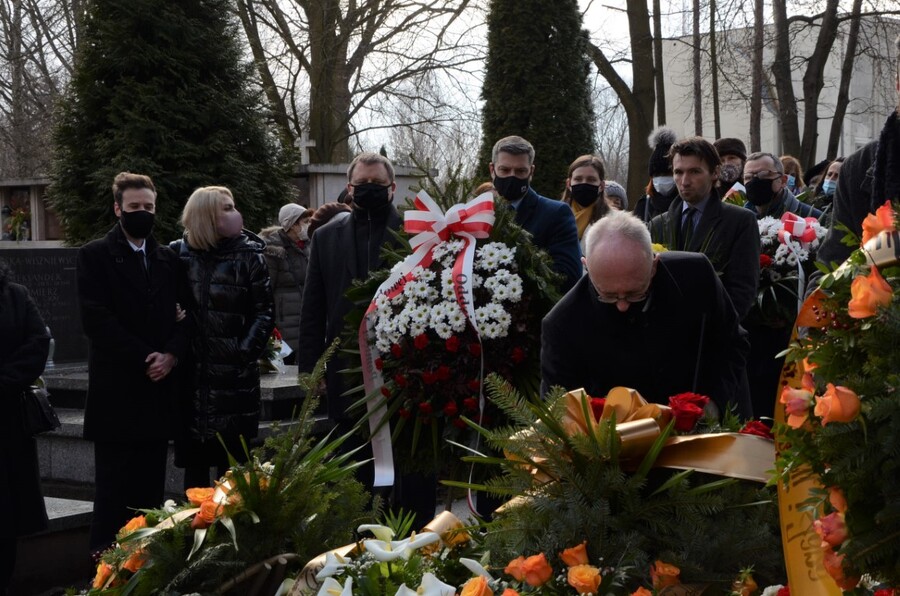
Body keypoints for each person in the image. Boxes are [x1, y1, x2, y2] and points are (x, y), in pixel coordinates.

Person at [541, 210, 752, 419]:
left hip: (704, 429)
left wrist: (713, 403)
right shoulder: (563, 324)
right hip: (616, 445)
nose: (622, 305)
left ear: (654, 265)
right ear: (587, 267)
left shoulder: (695, 276)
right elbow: (561, 411)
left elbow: (732, 343)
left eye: (634, 294)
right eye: (608, 295)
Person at [76, 172, 189, 553]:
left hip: (157, 395)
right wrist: (147, 357)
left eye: (149, 207)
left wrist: (171, 355)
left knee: (150, 499)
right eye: (134, 207)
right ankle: (104, 576)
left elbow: (187, 317)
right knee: (112, 498)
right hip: (117, 395)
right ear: (117, 209)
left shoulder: (168, 259)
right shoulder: (94, 255)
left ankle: (147, 572)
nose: (142, 213)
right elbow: (96, 320)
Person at [170, 186, 274, 489]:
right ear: (205, 215)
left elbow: (264, 313)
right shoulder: (178, 253)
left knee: (233, 477)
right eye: (225, 208)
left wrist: (241, 352)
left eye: (233, 206)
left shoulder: (249, 256)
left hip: (234, 381)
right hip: (192, 381)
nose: (234, 213)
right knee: (195, 477)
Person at [812, 35, 900, 285]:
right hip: (877, 316)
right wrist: (814, 319)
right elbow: (834, 267)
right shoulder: (860, 168)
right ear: (897, 83)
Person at [648, 137, 760, 321]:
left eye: (694, 172)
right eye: (678, 172)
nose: (684, 181)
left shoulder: (740, 221)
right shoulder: (657, 225)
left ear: (715, 172)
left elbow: (743, 289)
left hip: (717, 335)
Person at [0, 260, 51, 591]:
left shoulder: (15, 295)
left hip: (7, 420)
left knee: (6, 516)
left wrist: (5, 380)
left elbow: (37, 341)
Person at [488, 135, 581, 292]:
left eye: (520, 171)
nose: (512, 177)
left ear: (531, 172)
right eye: (504, 170)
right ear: (492, 170)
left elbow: (568, 276)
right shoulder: (476, 213)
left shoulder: (556, 214)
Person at [260, 203, 312, 361]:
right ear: (292, 224)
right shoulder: (273, 251)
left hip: (305, 322)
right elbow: (265, 291)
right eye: (305, 221)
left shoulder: (308, 246)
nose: (309, 225)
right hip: (283, 325)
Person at [742, 152, 823, 220]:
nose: (755, 181)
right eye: (748, 177)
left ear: (783, 180)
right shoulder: (740, 219)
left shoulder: (813, 219)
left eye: (764, 174)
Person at [634, 126, 678, 223]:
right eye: (657, 174)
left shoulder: (686, 205)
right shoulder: (644, 205)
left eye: (668, 174)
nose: (662, 178)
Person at [560, 154, 609, 240]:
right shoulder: (554, 216)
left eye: (591, 179)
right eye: (578, 179)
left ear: (601, 186)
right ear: (569, 184)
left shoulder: (613, 223)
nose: (584, 183)